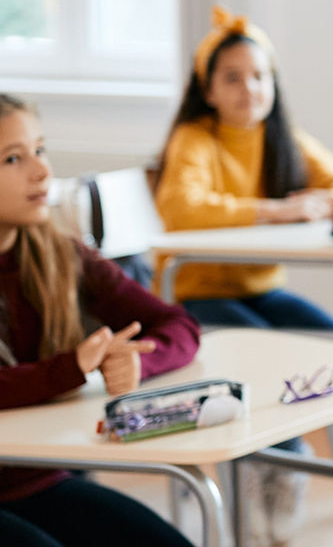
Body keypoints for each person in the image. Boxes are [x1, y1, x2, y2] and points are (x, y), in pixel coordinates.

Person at [153, 6, 333, 544]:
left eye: (258, 75)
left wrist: (324, 198)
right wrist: (277, 210)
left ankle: (283, 455)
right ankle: (275, 458)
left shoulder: (282, 136)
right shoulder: (195, 139)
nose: (248, 88)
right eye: (232, 78)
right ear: (207, 89)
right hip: (193, 294)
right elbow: (183, 207)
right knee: (268, 350)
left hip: (261, 289)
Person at [0, 94, 201, 547]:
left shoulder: (62, 254)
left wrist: (136, 364)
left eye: (40, 149)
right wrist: (69, 369)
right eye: (13, 158)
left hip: (38, 481)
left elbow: (178, 324)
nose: (41, 171)